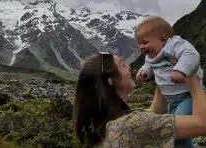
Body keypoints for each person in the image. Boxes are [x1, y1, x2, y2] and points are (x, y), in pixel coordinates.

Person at [73, 52, 206, 148]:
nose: (129, 68)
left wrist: (161, 76)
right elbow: (202, 124)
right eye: (123, 65)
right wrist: (190, 73)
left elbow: (154, 112)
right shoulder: (131, 124)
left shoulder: (101, 123)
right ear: (111, 80)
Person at [135, 16, 204, 147]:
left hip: (188, 94)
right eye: (139, 44)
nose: (141, 47)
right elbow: (148, 66)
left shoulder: (175, 45)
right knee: (177, 132)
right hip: (170, 98)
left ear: (164, 38)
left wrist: (180, 70)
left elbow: (192, 55)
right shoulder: (151, 55)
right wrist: (144, 73)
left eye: (145, 42)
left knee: (174, 127)